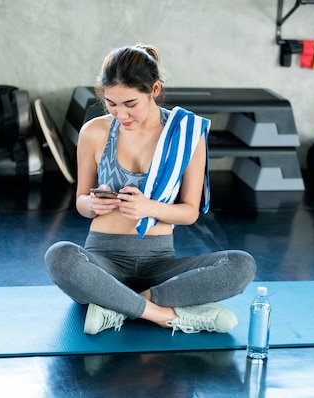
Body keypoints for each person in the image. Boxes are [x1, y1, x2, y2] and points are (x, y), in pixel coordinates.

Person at [44, 44, 256, 335]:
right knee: (60, 256)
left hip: (160, 266)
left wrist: (149, 208)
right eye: (111, 104)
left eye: (131, 104)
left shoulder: (186, 134)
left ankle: (116, 306)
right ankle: (164, 315)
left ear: (154, 89)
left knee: (241, 266)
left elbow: (190, 212)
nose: (121, 114)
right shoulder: (94, 132)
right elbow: (81, 200)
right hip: (102, 262)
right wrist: (92, 204)